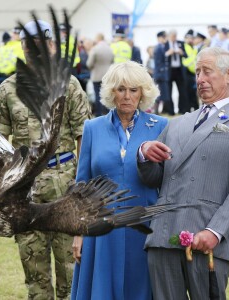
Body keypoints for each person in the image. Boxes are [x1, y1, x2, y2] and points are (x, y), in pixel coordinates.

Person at [137, 47, 229, 300]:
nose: (200, 79)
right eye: (197, 73)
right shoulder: (177, 123)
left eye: (207, 72)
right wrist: (143, 153)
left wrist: (215, 231)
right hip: (164, 237)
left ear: (228, 75)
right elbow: (153, 178)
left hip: (207, 240)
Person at [0, 19, 92, 300]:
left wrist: (82, 185)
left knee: (70, 271)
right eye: (28, 46)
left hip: (65, 184)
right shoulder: (7, 89)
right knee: (34, 272)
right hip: (25, 190)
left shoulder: (69, 85)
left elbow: (86, 136)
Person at [71, 60, 168, 300]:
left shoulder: (161, 126)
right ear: (111, 92)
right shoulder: (92, 128)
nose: (127, 96)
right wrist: (78, 233)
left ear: (143, 93)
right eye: (120, 89)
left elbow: (169, 180)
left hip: (145, 226)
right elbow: (82, 184)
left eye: (133, 90)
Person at [86, 33, 114, 117]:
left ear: (97, 39)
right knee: (107, 95)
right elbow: (112, 61)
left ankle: (99, 114)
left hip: (97, 75)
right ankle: (108, 113)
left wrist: (92, 67)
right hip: (108, 75)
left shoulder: (95, 49)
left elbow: (89, 63)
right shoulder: (110, 49)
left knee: (98, 95)